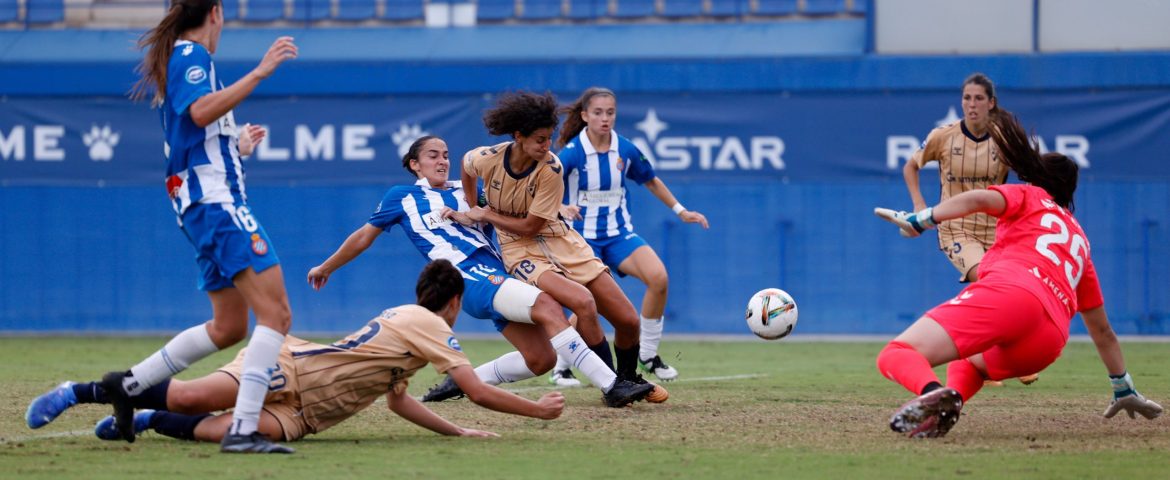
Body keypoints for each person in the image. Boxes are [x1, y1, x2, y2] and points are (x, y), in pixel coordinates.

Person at [23, 0, 300, 454]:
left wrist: (238, 144)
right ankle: (243, 430)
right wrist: (260, 72)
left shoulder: (184, 58)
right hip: (215, 204)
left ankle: (121, 386)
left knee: (229, 327)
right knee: (277, 315)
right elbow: (198, 113)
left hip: (201, 204)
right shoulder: (192, 55)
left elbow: (197, 133)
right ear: (215, 12)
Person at [29, 261, 566, 444]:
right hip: (291, 368)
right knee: (196, 398)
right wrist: (536, 410)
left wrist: (459, 431)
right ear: (453, 303)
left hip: (309, 413)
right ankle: (77, 392)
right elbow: (472, 388)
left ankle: (144, 418)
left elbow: (399, 402)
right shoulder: (428, 322)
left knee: (223, 432)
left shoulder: (411, 329)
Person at [872, 111, 1163, 438]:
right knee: (970, 362)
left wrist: (923, 219)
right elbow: (1103, 331)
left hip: (1014, 293)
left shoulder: (1031, 196)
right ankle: (948, 404)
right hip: (1048, 341)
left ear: (1039, 179)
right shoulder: (1080, 241)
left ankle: (930, 390)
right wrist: (1122, 387)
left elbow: (981, 198)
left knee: (896, 354)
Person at [305, 136, 653, 408]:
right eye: (432, 155)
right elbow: (363, 236)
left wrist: (560, 205)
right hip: (467, 274)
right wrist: (327, 266)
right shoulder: (402, 196)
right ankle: (612, 384)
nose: (442, 160)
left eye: (444, 154)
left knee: (541, 359)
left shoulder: (469, 190)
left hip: (501, 276)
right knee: (548, 306)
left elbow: (517, 207)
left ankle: (465, 380)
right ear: (414, 165)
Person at [456, 91, 666, 400]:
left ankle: (627, 377)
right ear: (518, 136)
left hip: (560, 238)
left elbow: (532, 225)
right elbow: (465, 166)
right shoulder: (488, 158)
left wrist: (485, 214)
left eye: (549, 137)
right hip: (520, 250)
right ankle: (614, 388)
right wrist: (473, 207)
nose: (546, 146)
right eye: (540, 139)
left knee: (628, 320)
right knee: (582, 301)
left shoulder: (551, 169)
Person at [551, 87, 709, 384]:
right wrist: (561, 206)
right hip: (582, 242)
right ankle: (561, 366)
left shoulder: (625, 149)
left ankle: (647, 355)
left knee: (659, 278)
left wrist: (681, 211)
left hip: (619, 235)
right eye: (597, 112)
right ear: (584, 116)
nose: (605, 118)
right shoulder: (571, 153)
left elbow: (650, 180)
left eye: (610, 112)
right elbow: (546, 187)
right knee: (587, 303)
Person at [901, 73, 1039, 386]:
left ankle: (985, 357)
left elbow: (1031, 172)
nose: (971, 104)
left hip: (999, 232)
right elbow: (910, 166)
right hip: (956, 229)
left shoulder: (1004, 139)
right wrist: (920, 207)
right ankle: (994, 357)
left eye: (978, 98)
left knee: (1012, 290)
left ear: (991, 103)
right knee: (989, 280)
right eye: (966, 98)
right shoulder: (943, 136)